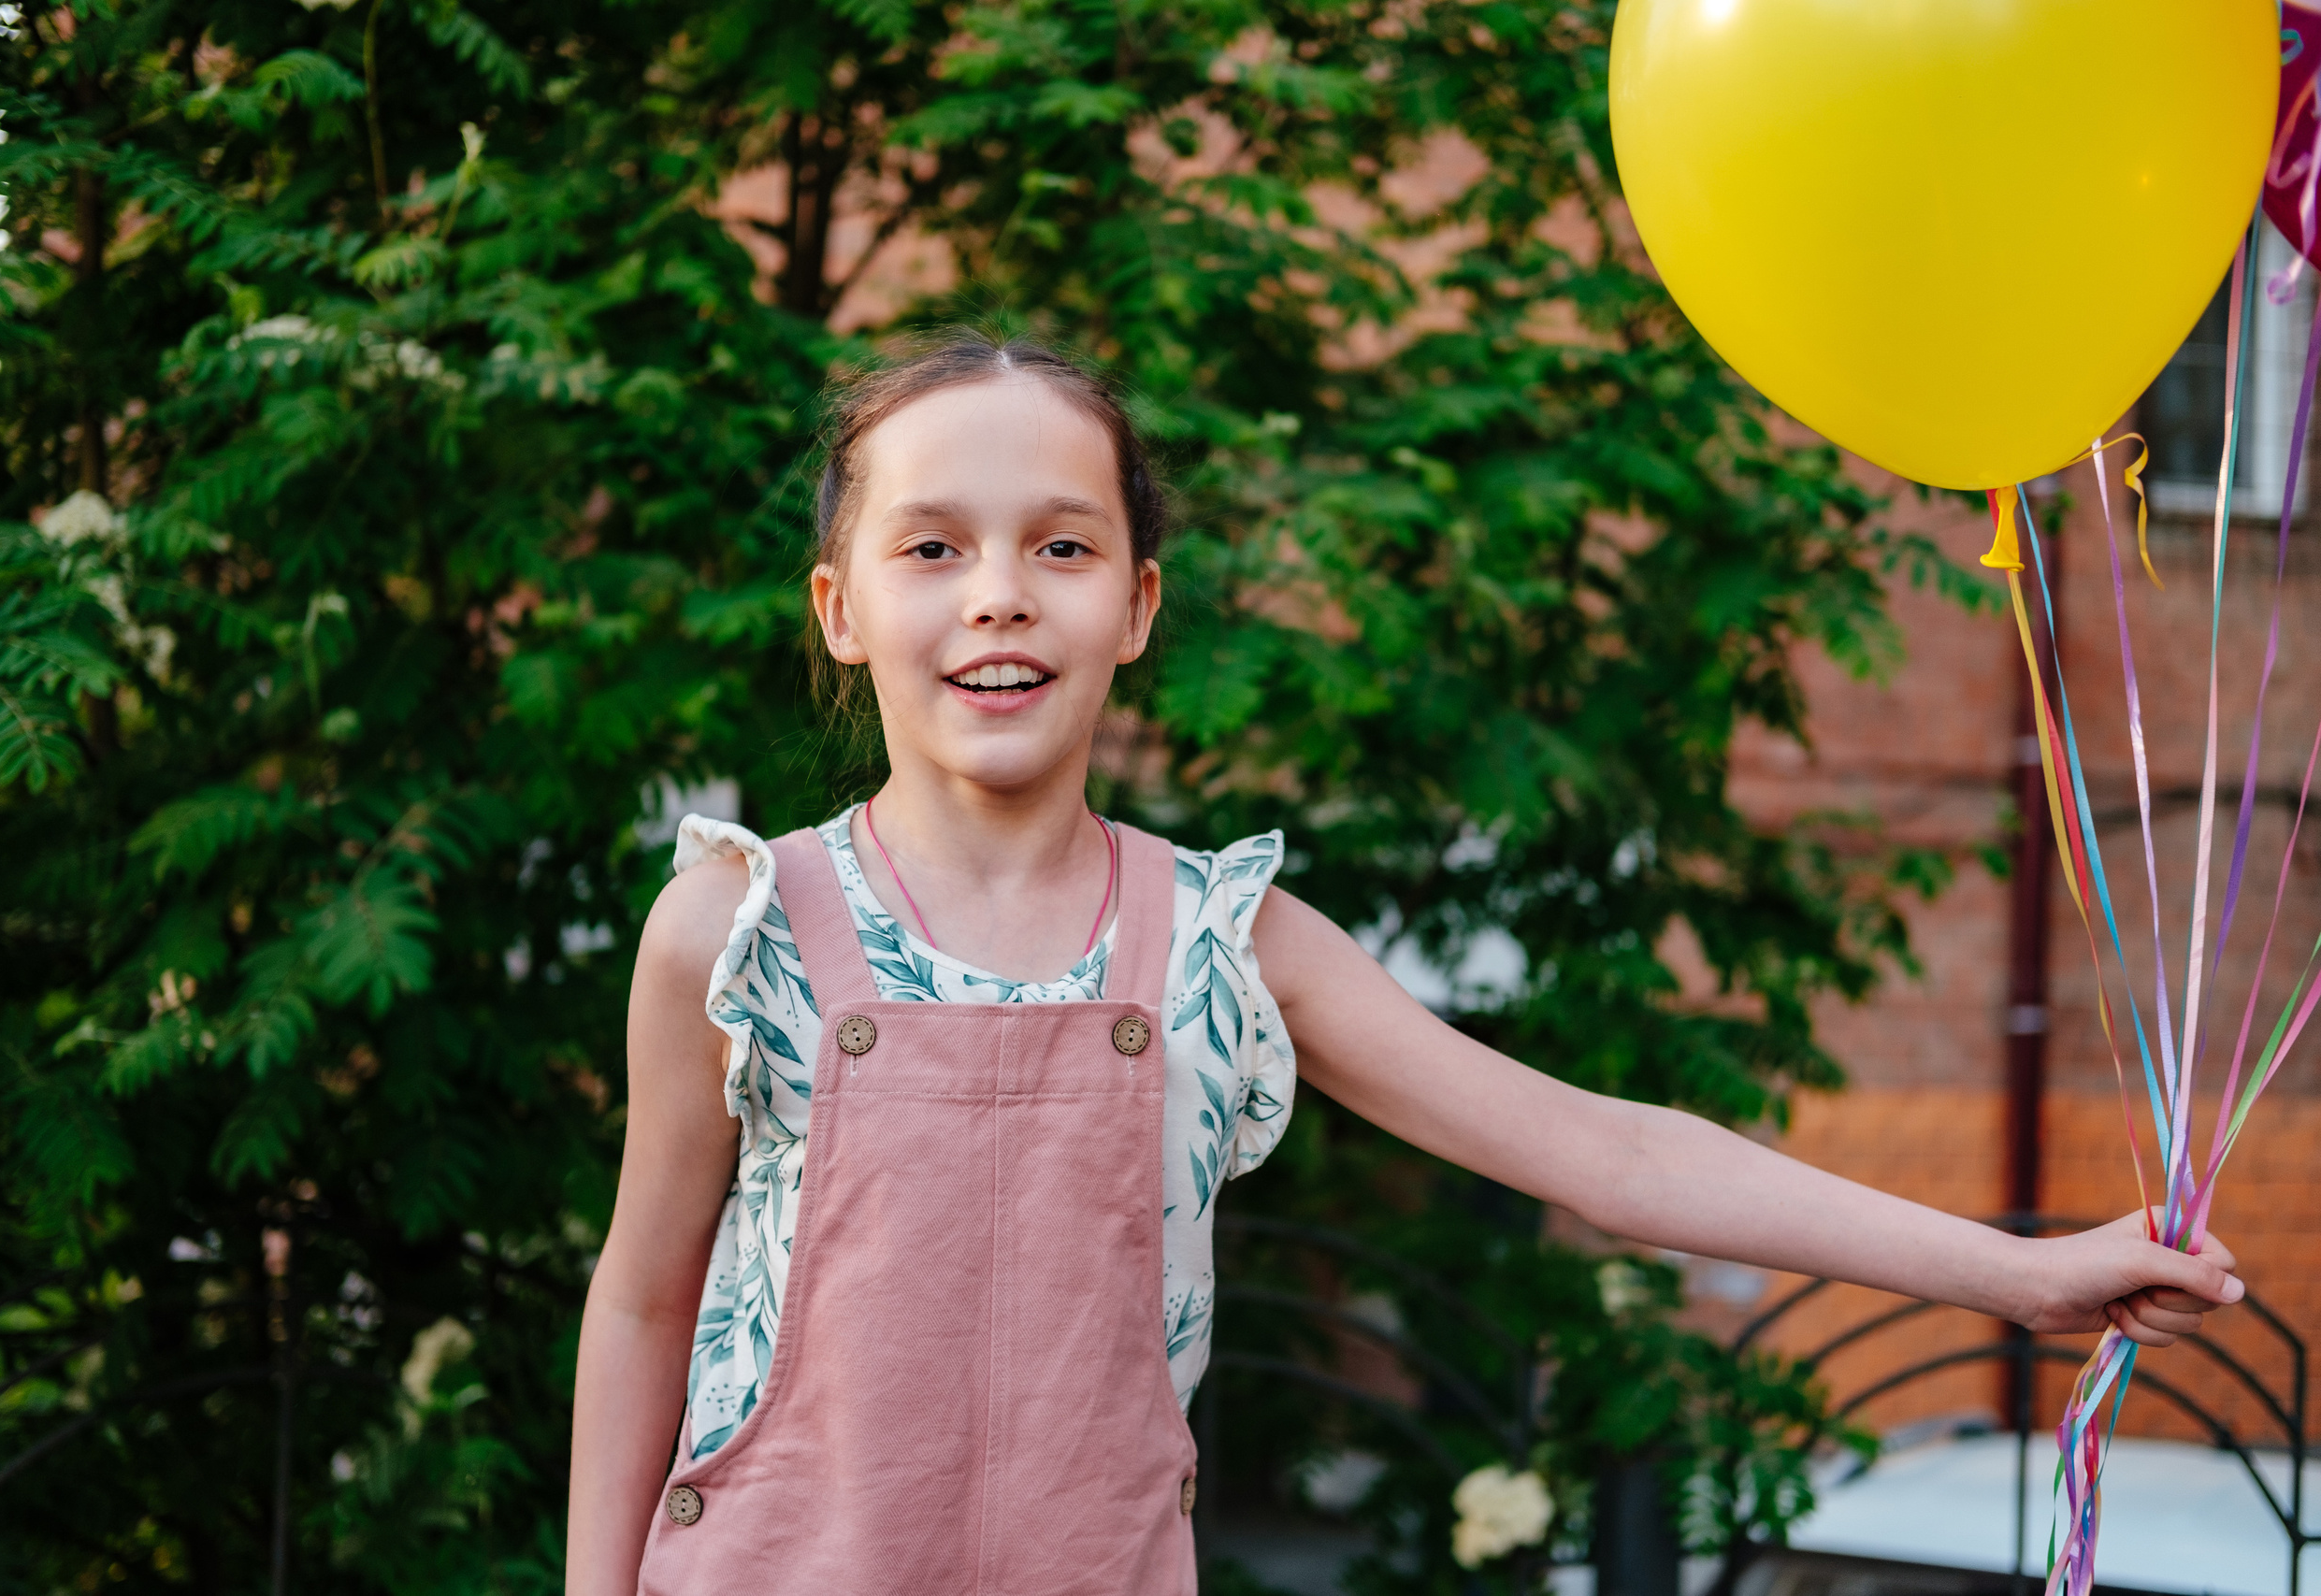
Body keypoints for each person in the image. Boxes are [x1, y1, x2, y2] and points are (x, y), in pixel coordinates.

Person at [566, 332, 2241, 1595]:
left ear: (1138, 607)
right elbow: (643, 1300)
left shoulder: (1229, 951)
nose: (998, 596)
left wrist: (2019, 1276)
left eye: (1061, 548)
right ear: (840, 605)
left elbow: (1612, 1153)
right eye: (932, 547)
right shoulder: (736, 933)